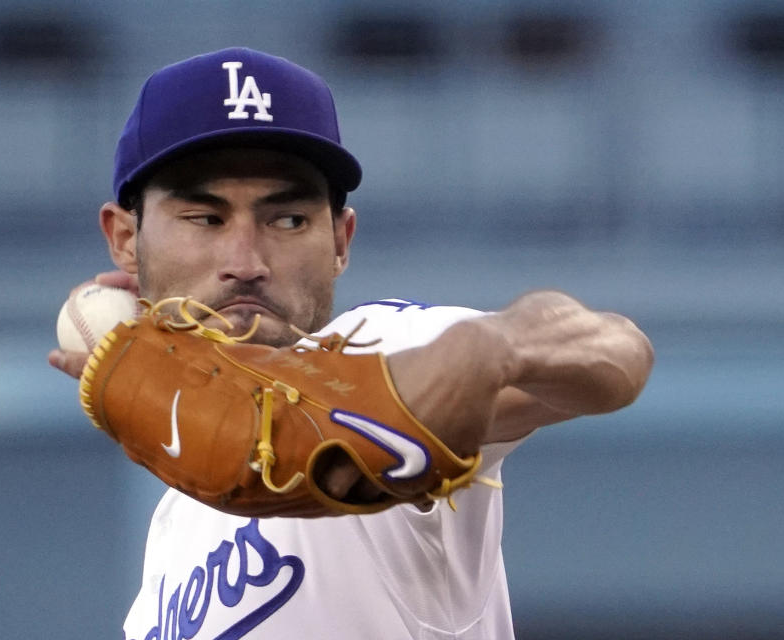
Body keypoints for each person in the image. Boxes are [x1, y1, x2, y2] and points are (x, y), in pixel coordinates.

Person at [48, 47, 653, 640]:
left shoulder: (381, 345)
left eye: (287, 220)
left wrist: (486, 350)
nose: (245, 262)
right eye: (204, 219)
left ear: (341, 240)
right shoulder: (172, 533)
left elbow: (618, 353)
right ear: (126, 239)